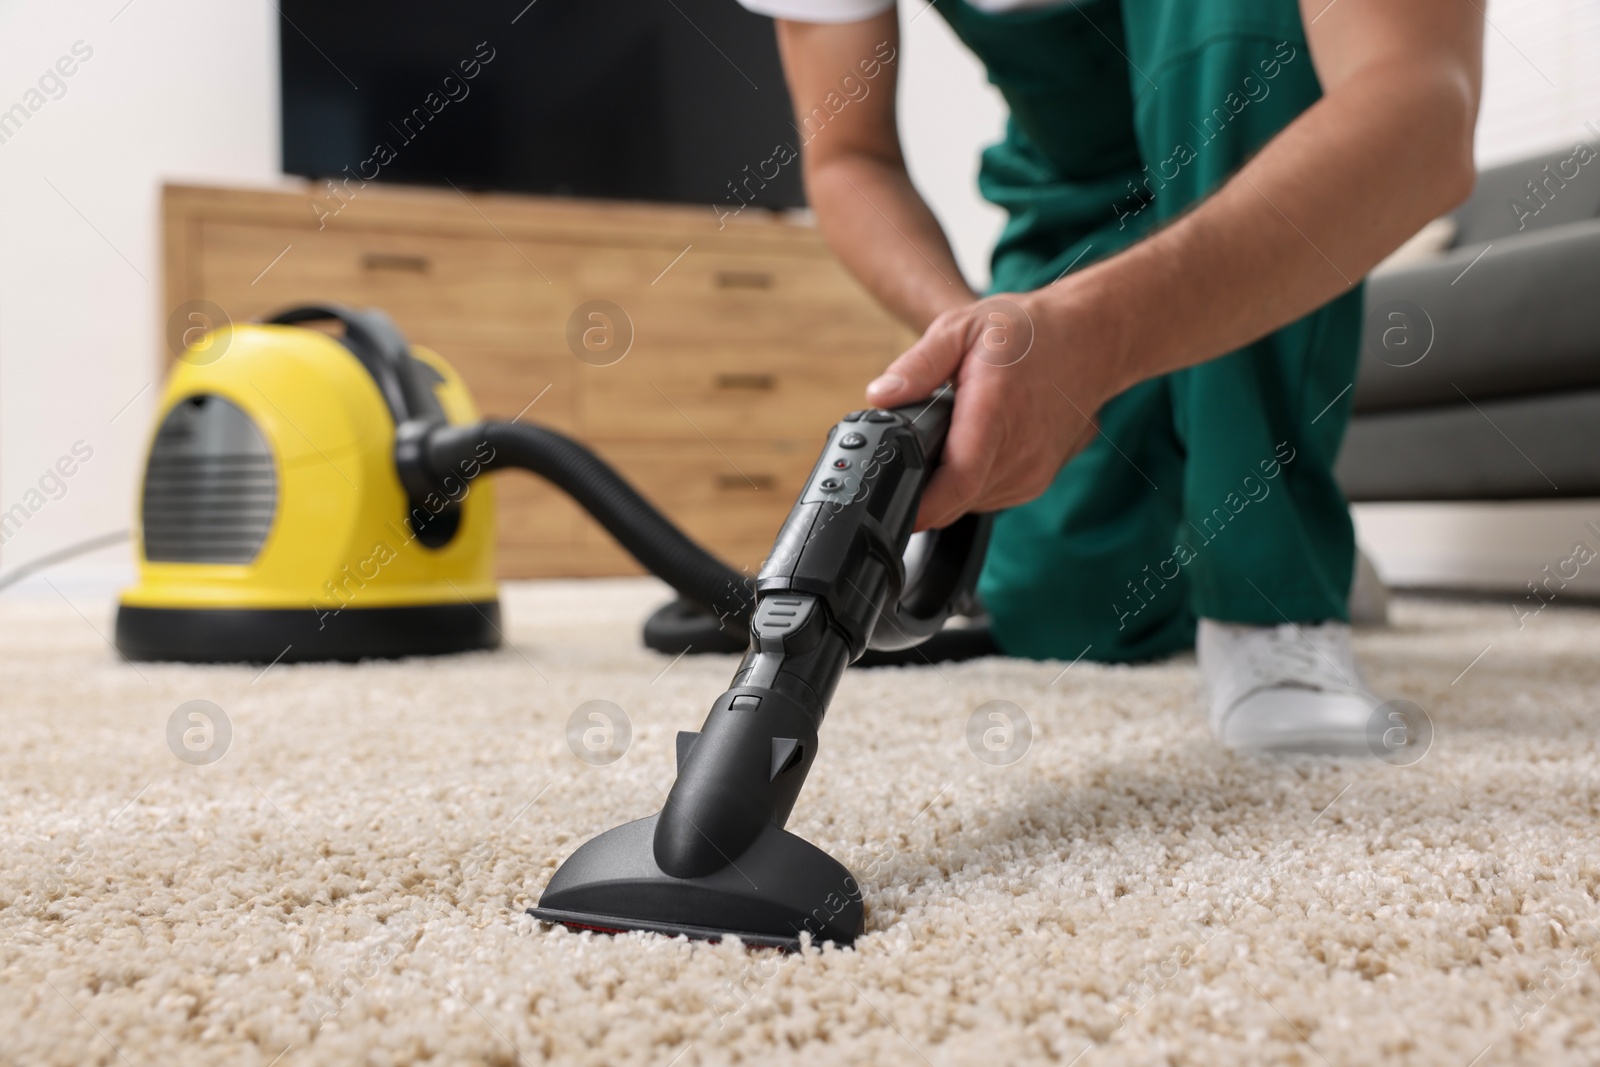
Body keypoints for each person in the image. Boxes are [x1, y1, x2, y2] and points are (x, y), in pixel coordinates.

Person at [736, 0, 1483, 753]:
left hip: (1261, 136)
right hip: (1076, 193)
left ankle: (1274, 594)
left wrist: (1099, 336)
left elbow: (1424, 109)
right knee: (1064, 609)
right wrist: (984, 344)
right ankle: (1284, 537)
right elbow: (848, 159)